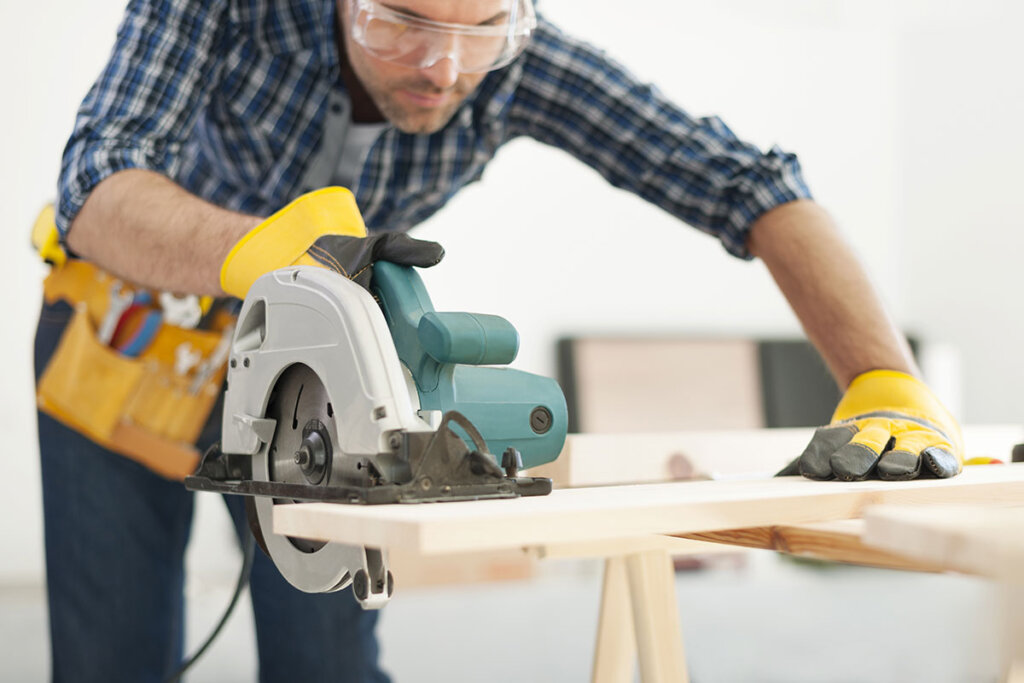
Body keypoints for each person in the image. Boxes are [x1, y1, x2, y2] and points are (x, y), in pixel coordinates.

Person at [37, 0, 964, 680]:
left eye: (482, 30)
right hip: (125, 334)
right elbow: (95, 180)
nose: (442, 67)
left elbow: (749, 184)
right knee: (111, 654)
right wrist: (250, 248)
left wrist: (883, 376)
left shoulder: (522, 60)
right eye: (401, 21)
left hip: (317, 373)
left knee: (328, 659)